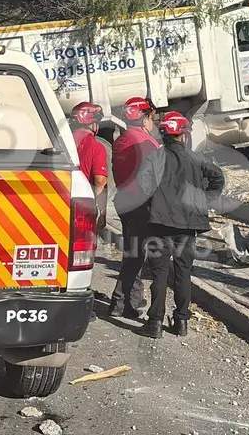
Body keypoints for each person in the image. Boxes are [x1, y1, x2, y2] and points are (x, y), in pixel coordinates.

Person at [124, 111, 224, 338]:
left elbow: (143, 186)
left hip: (160, 223)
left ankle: (155, 323)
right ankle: (181, 323)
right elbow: (218, 178)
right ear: (184, 135)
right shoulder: (196, 158)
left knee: (159, 273)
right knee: (183, 273)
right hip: (188, 224)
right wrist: (204, 200)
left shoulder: (155, 157)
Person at [108, 96, 160, 318]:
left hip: (124, 201)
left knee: (133, 252)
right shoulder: (147, 143)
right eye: (152, 118)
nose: (153, 123)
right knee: (136, 256)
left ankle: (133, 300)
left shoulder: (121, 140)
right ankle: (119, 303)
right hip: (141, 204)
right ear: (145, 118)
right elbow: (158, 178)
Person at [71, 102, 110, 231]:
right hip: (83, 207)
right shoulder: (96, 147)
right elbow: (100, 181)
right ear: (92, 123)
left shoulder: (63, 142)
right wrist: (102, 213)